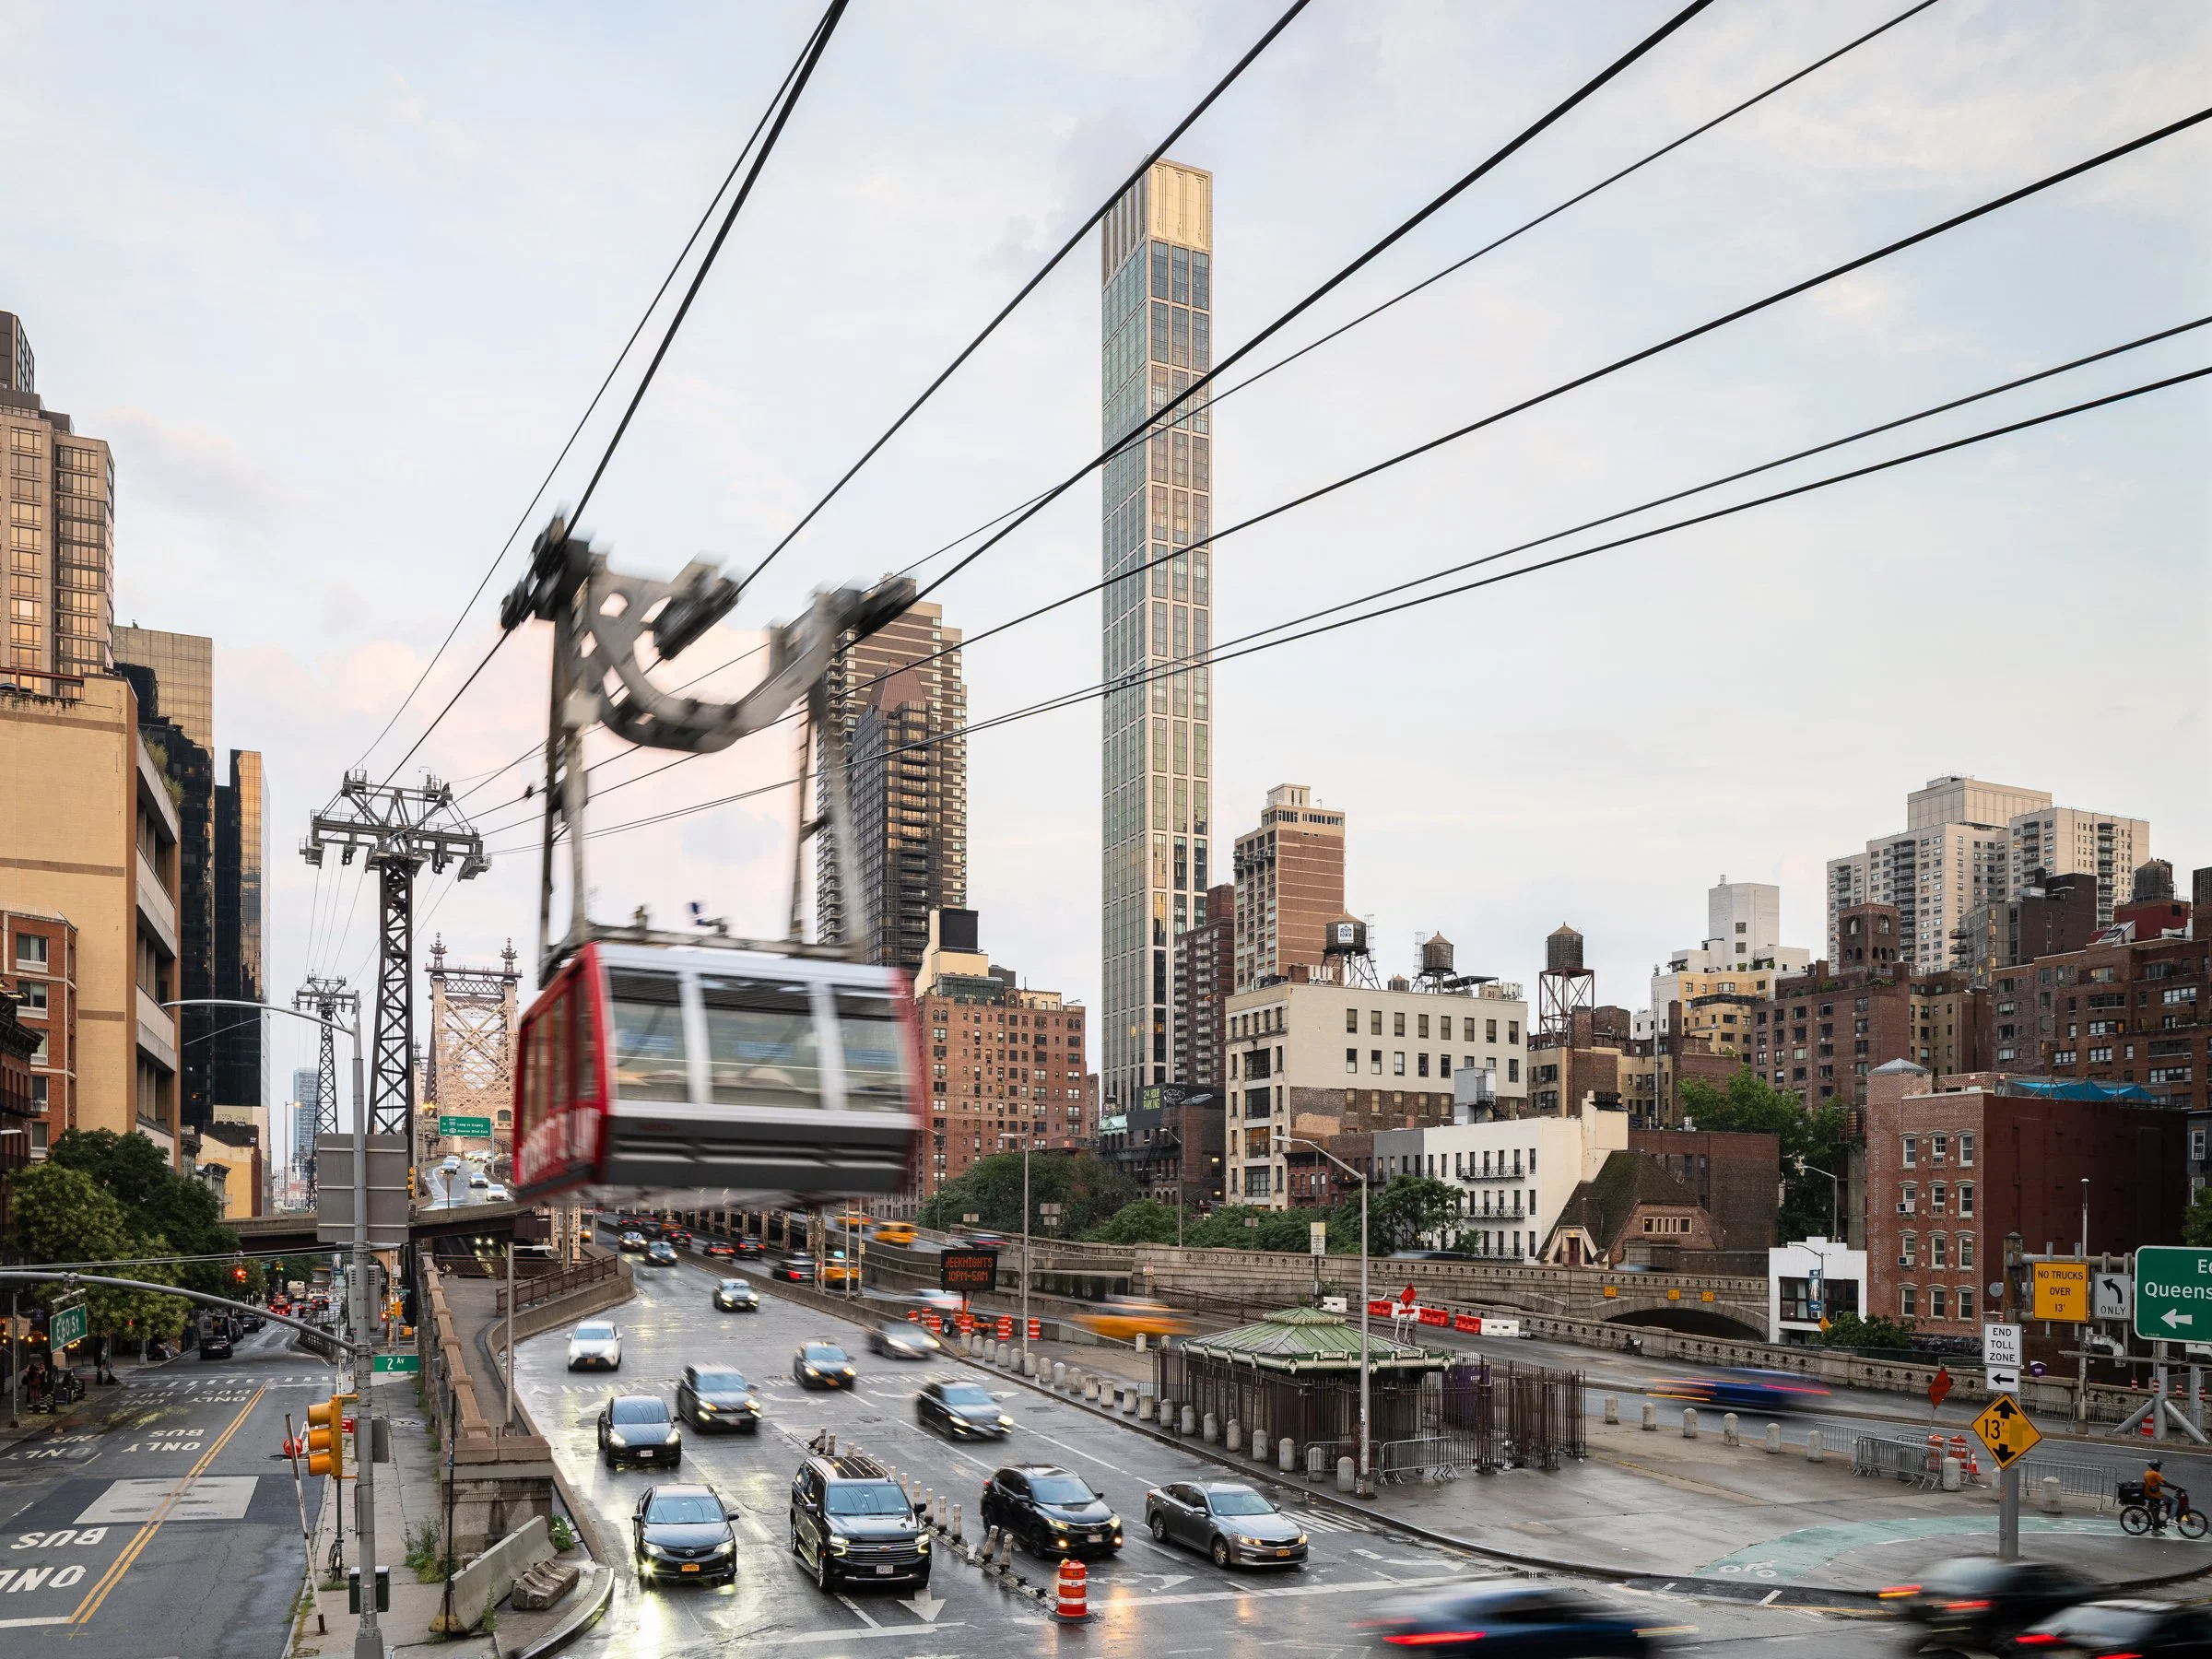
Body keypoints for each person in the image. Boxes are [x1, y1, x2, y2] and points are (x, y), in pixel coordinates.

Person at [2144, 1459, 2169, 1528]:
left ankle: (2156, 1526)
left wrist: (2167, 1486)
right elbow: (2166, 1483)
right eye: (2159, 1466)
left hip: (2149, 1493)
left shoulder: (2147, 1472)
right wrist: (2176, 1487)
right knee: (2171, 1501)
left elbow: (2157, 1483)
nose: (2160, 1467)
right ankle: (2156, 1525)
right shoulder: (2155, 1474)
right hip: (2153, 1494)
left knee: (2158, 1508)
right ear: (2156, 1467)